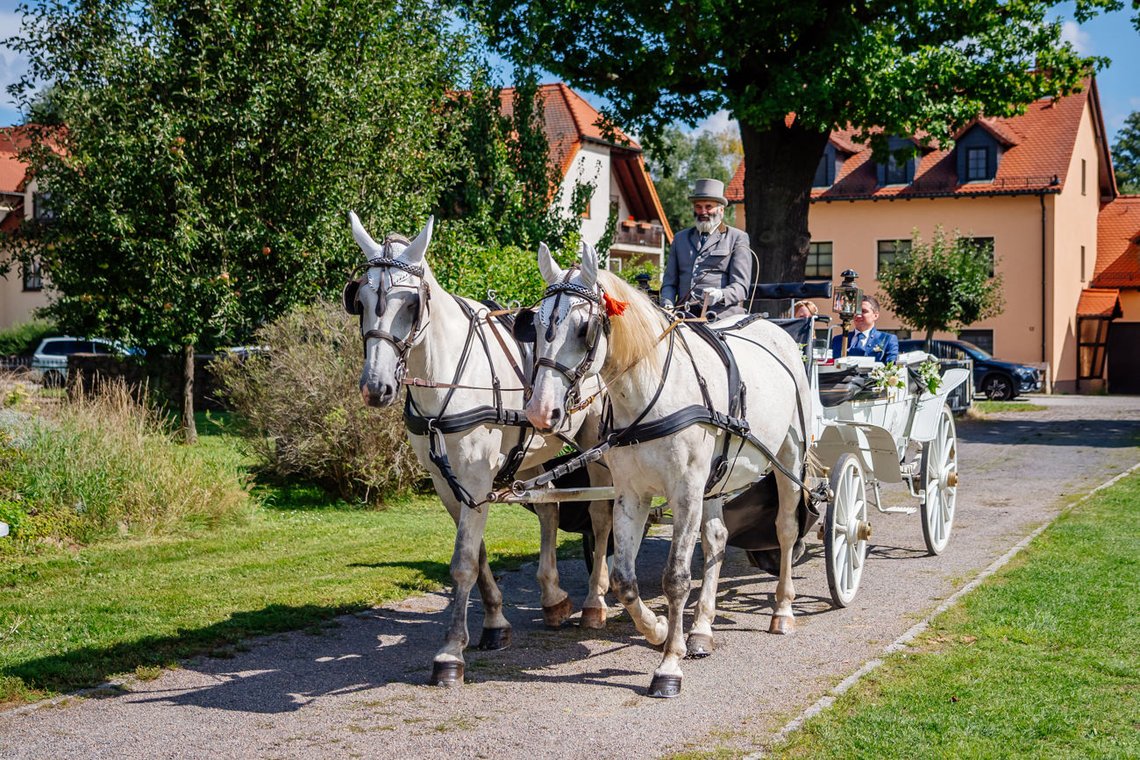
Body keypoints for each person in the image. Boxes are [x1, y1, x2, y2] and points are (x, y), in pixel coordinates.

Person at [660, 178, 752, 318]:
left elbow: (741, 287)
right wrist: (667, 303)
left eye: (708, 206)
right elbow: (669, 283)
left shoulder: (737, 238)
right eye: (698, 206)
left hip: (720, 316)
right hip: (683, 314)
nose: (703, 212)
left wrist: (721, 295)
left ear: (721, 210)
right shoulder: (680, 239)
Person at [830, 295, 899, 364]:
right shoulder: (838, 340)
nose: (858, 315)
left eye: (864, 311)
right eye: (855, 311)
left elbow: (891, 367)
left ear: (875, 315)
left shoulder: (887, 339)